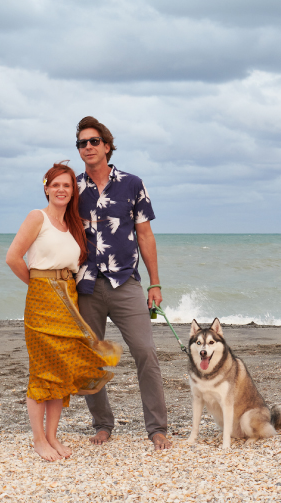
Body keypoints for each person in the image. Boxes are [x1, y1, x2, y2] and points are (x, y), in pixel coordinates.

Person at [6, 162, 122, 462]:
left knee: (61, 370)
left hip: (68, 298)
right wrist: (38, 285)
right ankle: (38, 440)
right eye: (55, 184)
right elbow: (13, 257)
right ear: (46, 188)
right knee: (41, 371)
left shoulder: (73, 226)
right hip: (42, 301)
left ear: (73, 192)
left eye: (67, 185)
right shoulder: (37, 217)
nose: (61, 190)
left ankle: (52, 436)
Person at [73, 116, 172, 450]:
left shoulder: (132, 184)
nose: (88, 147)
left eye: (94, 141)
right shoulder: (73, 187)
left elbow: (145, 234)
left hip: (125, 281)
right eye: (82, 143)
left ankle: (157, 428)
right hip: (85, 284)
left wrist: (155, 284)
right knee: (90, 358)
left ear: (107, 146)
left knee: (145, 351)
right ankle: (102, 424)